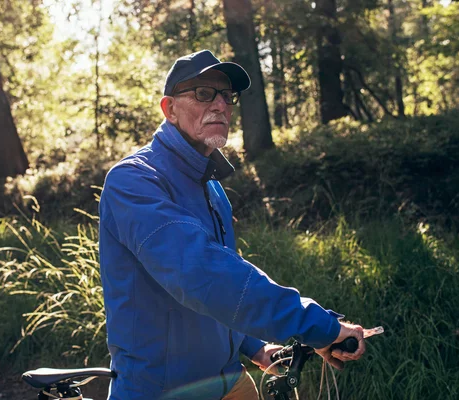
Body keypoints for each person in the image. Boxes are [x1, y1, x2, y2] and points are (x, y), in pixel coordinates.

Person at [98, 49, 365, 400]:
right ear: (169, 109)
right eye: (204, 94)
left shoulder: (211, 186)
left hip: (229, 380)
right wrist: (316, 324)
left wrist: (253, 347)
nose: (221, 105)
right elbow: (201, 275)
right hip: (161, 389)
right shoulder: (133, 181)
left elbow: (224, 287)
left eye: (227, 96)